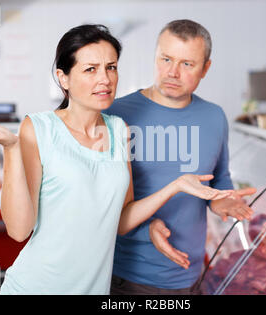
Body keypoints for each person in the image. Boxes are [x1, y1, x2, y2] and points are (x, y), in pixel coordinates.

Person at [0, 24, 234, 295]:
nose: (104, 79)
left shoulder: (119, 130)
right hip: (36, 286)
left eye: (111, 67)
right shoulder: (39, 128)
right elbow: (19, 230)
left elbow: (121, 219)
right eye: (90, 69)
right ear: (63, 78)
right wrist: (11, 149)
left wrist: (176, 186)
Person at [104, 20, 256, 295]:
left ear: (205, 68)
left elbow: (219, 178)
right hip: (129, 277)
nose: (172, 72)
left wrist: (223, 202)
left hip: (191, 275)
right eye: (165, 59)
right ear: (155, 57)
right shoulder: (116, 114)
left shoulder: (214, 116)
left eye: (187, 64)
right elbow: (101, 201)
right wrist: (147, 227)